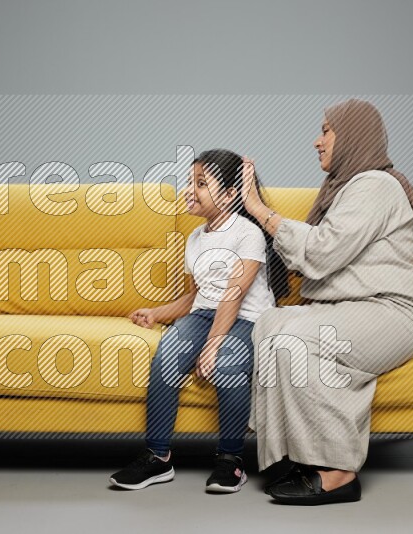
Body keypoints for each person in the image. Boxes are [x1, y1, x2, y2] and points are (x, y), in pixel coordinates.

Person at [241, 99, 413, 505]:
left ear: (352, 135)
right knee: (270, 324)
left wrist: (260, 211)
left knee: (297, 341)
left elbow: (321, 252)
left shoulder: (375, 186)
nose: (316, 141)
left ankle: (338, 472)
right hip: (353, 307)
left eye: (326, 130)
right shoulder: (345, 187)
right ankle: (299, 453)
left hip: (391, 312)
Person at [109, 149, 286, 493]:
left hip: (248, 318)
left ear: (230, 195)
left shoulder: (247, 234)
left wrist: (214, 344)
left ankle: (231, 460)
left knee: (228, 363)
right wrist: (156, 313)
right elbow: (196, 297)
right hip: (205, 314)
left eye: (201, 183)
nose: (190, 190)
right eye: (190, 182)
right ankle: (158, 457)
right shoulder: (194, 239)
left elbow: (233, 294)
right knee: (168, 354)